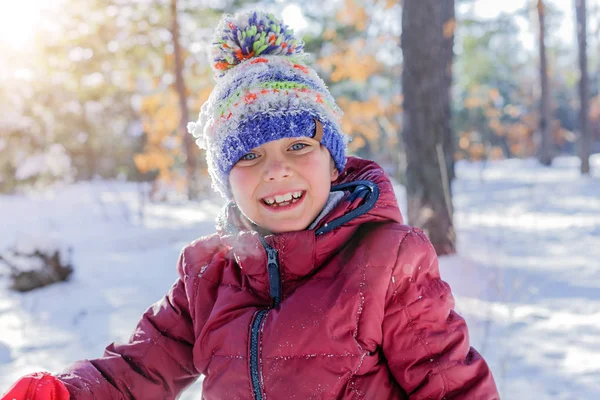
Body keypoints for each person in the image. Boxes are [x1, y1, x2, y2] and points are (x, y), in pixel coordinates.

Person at [2, 10, 499, 400]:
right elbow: (139, 368)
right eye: (250, 156)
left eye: (298, 147)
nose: (276, 169)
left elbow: (450, 384)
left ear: (333, 163)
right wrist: (67, 391)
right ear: (226, 181)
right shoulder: (208, 274)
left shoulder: (387, 262)